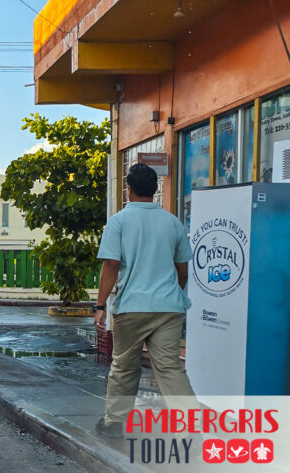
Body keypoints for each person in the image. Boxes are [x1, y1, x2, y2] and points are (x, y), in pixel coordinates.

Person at [93, 163, 196, 438]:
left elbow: (111, 265)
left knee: (124, 366)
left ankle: (115, 424)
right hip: (169, 308)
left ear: (129, 189)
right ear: (156, 190)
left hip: (132, 307)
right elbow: (182, 268)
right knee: (170, 369)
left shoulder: (118, 222)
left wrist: (100, 305)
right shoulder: (172, 222)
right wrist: (171, 293)